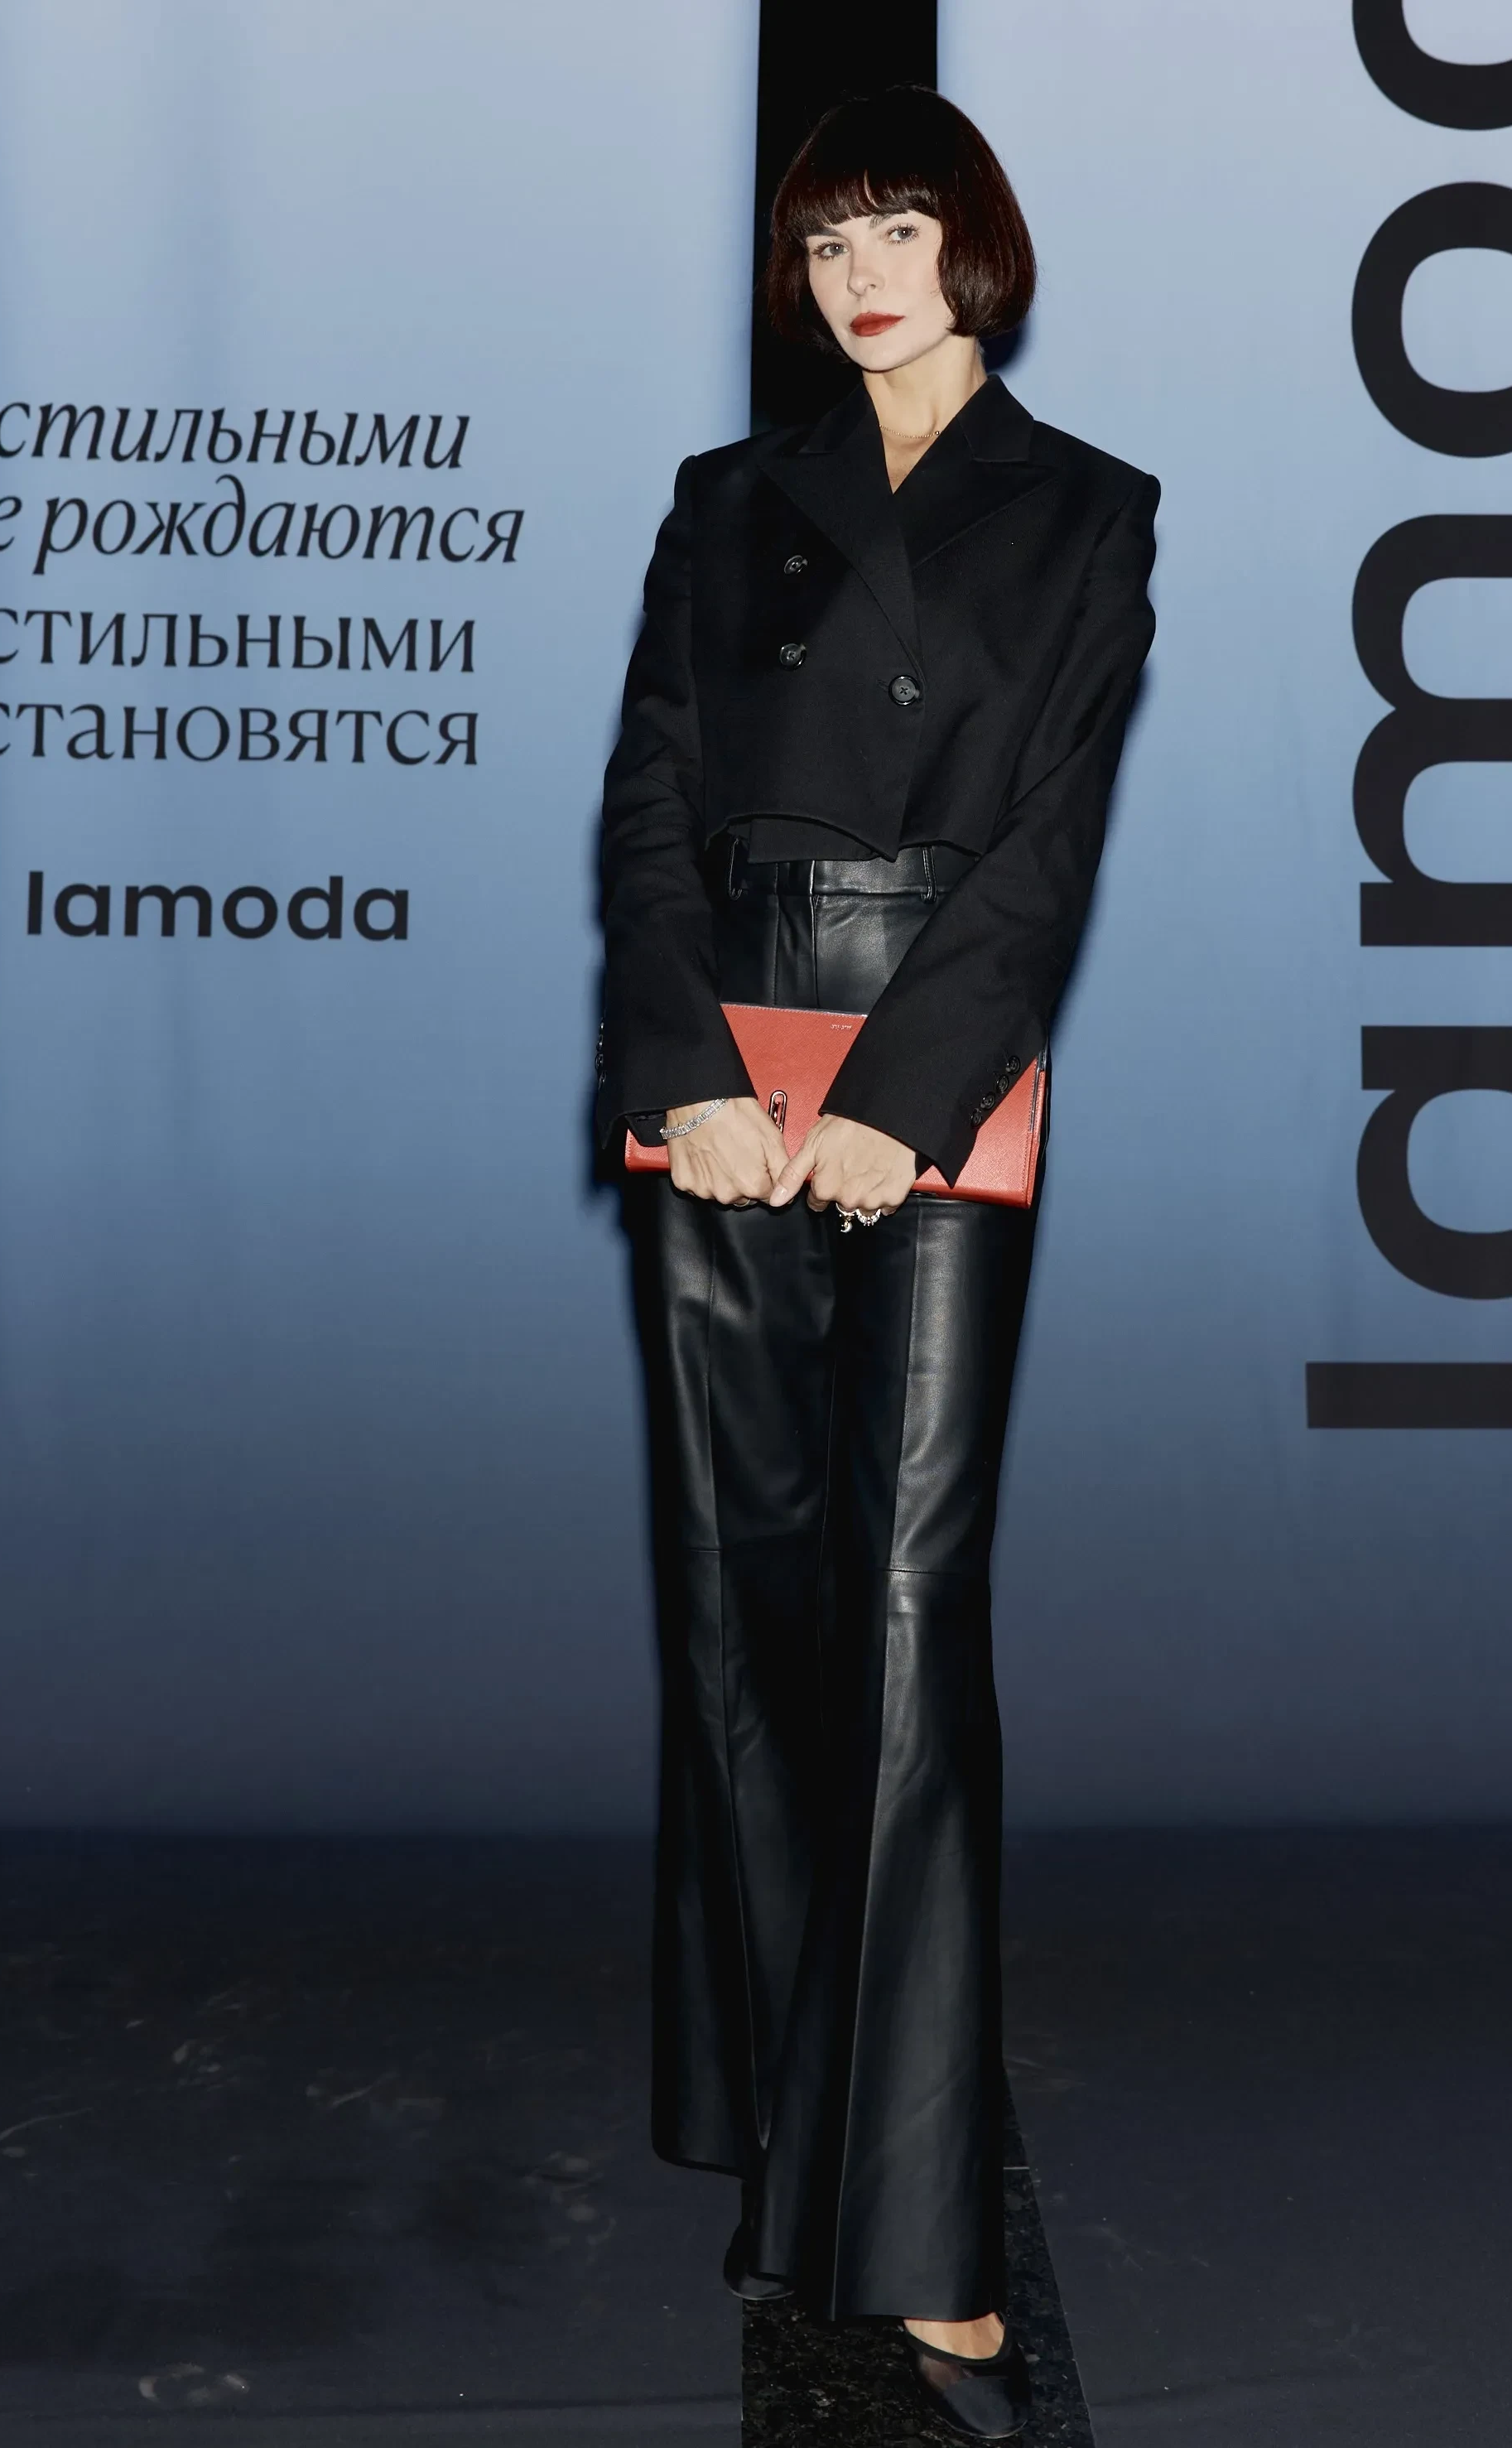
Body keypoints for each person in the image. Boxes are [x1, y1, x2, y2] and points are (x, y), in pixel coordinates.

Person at [595, 85, 1157, 2442]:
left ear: (976, 248)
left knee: (915, 1613)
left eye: (900, 231)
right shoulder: (724, 502)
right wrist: (690, 1067)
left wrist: (898, 1105)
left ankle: (916, 2236)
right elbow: (645, 807)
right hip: (726, 1073)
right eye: (827, 242)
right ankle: (777, 2105)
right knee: (743, 1601)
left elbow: (1044, 850)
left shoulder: (1087, 510)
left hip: (929, 1067)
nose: (861, 277)